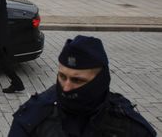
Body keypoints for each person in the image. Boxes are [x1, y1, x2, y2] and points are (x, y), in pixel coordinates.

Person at [9, 35, 156, 136]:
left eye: (77, 80)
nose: (66, 87)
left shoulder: (129, 127)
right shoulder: (32, 118)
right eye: (62, 76)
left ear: (100, 80)